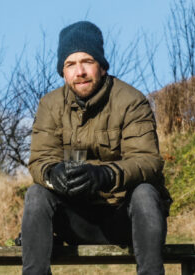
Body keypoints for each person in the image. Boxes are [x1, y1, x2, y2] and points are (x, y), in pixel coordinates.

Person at [21, 21, 172, 275]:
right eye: (70, 64)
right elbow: (40, 160)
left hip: (125, 219)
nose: (79, 71)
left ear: (102, 67)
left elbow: (148, 161)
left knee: (146, 192)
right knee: (36, 194)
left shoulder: (131, 101)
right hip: (76, 219)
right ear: (63, 72)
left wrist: (106, 175)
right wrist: (51, 174)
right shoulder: (49, 105)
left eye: (87, 61)